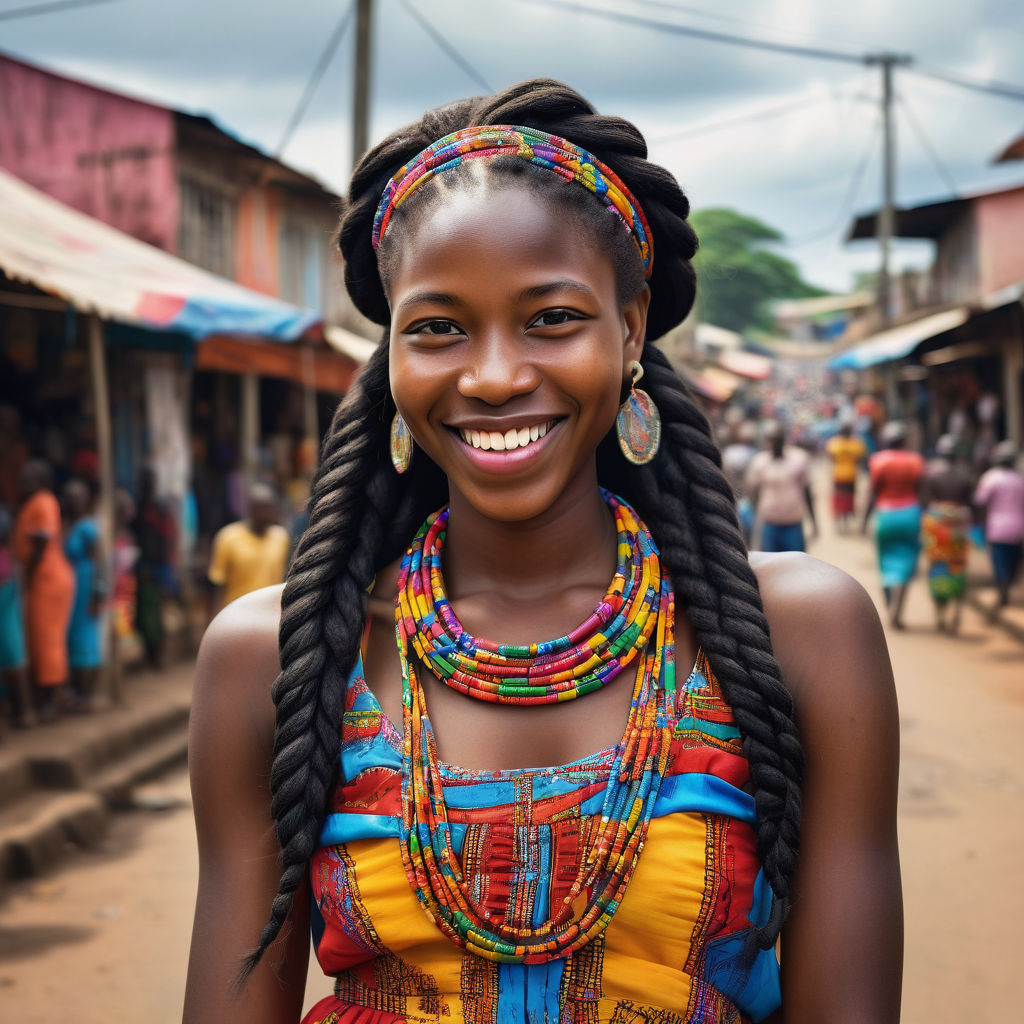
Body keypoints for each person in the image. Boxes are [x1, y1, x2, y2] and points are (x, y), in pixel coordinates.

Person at [184, 81, 902, 1024]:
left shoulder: (801, 633)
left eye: (551, 319)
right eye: (438, 328)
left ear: (632, 327)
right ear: (392, 350)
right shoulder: (275, 656)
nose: (491, 376)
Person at [12, 459, 74, 719]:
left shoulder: (43, 501)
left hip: (46, 579)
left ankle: (51, 699)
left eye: (29, 476)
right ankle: (48, 697)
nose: (23, 480)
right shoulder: (35, 503)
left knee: (46, 638)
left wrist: (27, 575)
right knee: (41, 638)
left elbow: (40, 541)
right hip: (43, 578)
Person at [862, 421, 924, 630]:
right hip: (910, 514)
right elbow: (920, 491)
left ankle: (890, 602)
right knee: (906, 562)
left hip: (885, 515)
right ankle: (898, 609)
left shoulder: (879, 460)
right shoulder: (915, 461)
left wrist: (863, 521)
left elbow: (873, 493)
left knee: (885, 561)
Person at [206, 482, 291, 617]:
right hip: (235, 612)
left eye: (268, 508)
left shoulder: (281, 537)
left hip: (269, 612)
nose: (265, 514)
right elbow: (218, 584)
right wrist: (214, 619)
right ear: (251, 509)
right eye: (260, 508)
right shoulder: (228, 537)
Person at [920, 435, 974, 633]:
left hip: (937, 525)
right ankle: (956, 613)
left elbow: (925, 503)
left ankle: (939, 614)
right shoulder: (965, 476)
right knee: (957, 567)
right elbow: (970, 504)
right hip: (959, 525)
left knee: (936, 564)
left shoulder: (933, 474)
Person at [62, 478, 105, 710]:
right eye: (70, 498)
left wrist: (97, 594)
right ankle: (77, 692)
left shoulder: (88, 527)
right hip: (71, 587)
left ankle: (87, 694)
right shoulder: (69, 525)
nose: (74, 502)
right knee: (73, 637)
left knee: (87, 639)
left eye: (78, 497)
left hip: (86, 586)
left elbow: (98, 560)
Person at [744, 420, 817, 552]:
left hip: (793, 524)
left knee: (796, 565)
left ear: (784, 439)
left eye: (778, 439)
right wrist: (754, 517)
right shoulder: (760, 462)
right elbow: (753, 493)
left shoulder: (798, 459)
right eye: (772, 439)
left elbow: (807, 491)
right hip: (770, 524)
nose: (775, 443)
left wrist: (814, 522)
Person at [973, 440, 1024, 613]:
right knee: (1013, 561)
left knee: (1000, 563)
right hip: (1018, 529)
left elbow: (980, 500)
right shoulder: (1019, 480)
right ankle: (1006, 587)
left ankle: (1003, 591)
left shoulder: (990, 477)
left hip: (997, 529)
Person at [132, 468, 176, 669]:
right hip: (143, 566)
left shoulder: (159, 508)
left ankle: (158, 658)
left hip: (158, 567)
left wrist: (165, 566)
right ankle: (149, 656)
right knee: (144, 614)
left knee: (156, 614)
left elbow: (167, 539)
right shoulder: (140, 507)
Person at [0, 502, 33, 728]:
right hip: (10, 603)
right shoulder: (10, 556)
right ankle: (22, 712)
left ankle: (19, 712)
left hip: (6, 600)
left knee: (12, 657)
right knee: (14, 656)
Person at [825, 418, 867, 533]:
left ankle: (842, 521)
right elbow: (859, 459)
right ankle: (844, 521)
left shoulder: (834, 443)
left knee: (842, 499)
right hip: (847, 476)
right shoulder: (856, 443)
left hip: (842, 476)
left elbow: (831, 458)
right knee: (846, 499)